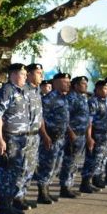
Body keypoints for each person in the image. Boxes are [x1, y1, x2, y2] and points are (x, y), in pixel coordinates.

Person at [0, 63, 32, 214]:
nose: (26, 77)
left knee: (15, 173)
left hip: (21, 138)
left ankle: (9, 204)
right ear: (14, 75)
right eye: (23, 74)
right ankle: (3, 207)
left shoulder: (21, 91)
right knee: (6, 173)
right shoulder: (7, 91)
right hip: (10, 138)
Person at [33, 72, 71, 203]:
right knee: (47, 165)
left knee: (56, 165)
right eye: (65, 82)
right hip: (50, 138)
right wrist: (45, 135)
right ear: (56, 83)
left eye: (69, 82)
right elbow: (41, 119)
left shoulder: (64, 98)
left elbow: (65, 119)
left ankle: (47, 190)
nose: (68, 84)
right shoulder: (49, 99)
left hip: (61, 138)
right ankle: (42, 193)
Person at [15, 63, 47, 212]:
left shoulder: (37, 91)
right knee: (22, 167)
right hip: (23, 136)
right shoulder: (22, 90)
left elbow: (39, 116)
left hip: (35, 135)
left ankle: (23, 195)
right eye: (39, 73)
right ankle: (16, 197)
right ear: (29, 74)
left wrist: (44, 134)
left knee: (30, 168)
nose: (42, 76)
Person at [60, 76, 97, 195]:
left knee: (75, 162)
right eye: (82, 83)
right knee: (69, 161)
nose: (85, 85)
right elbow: (65, 118)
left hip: (82, 135)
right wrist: (70, 133)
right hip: (72, 135)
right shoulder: (71, 98)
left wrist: (88, 136)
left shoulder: (83, 98)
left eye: (86, 83)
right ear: (75, 86)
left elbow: (87, 119)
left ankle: (70, 185)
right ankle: (65, 187)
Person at [82, 80, 107, 190]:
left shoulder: (105, 101)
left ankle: (97, 179)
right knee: (92, 159)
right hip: (96, 134)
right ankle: (85, 182)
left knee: (101, 158)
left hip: (105, 134)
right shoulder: (93, 102)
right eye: (105, 89)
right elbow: (89, 122)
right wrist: (89, 137)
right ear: (98, 89)